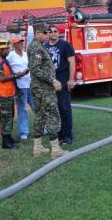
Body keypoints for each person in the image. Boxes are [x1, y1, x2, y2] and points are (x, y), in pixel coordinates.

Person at [27, 23, 69, 158]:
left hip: (38, 87)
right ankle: (55, 149)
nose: (48, 35)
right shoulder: (37, 48)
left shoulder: (37, 46)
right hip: (44, 88)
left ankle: (37, 147)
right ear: (38, 33)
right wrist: (53, 81)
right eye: (45, 33)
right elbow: (35, 69)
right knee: (53, 114)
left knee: (40, 115)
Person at [0, 39, 24, 149]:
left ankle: (9, 138)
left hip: (8, 93)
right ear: (0, 50)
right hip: (2, 94)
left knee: (9, 117)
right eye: (6, 49)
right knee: (5, 118)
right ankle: (6, 142)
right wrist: (16, 75)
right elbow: (2, 78)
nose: (8, 51)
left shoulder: (4, 60)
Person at [44, 25, 75, 145]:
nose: (53, 33)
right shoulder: (44, 47)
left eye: (55, 31)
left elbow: (72, 62)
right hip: (50, 82)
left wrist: (71, 79)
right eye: (50, 31)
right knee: (53, 109)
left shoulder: (65, 45)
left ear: (58, 33)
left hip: (63, 80)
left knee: (64, 108)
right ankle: (59, 133)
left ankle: (68, 136)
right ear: (47, 33)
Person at [7, 37, 34, 140]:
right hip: (19, 86)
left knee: (36, 106)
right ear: (14, 45)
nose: (21, 44)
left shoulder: (26, 54)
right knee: (22, 109)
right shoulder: (10, 56)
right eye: (18, 43)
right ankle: (24, 132)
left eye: (22, 42)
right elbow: (7, 70)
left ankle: (43, 127)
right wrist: (16, 74)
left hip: (30, 84)